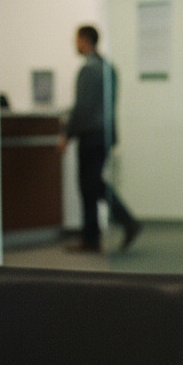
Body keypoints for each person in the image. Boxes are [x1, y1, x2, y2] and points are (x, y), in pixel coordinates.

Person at [60, 25, 141, 253]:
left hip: (90, 135)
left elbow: (83, 108)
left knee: (90, 185)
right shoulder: (108, 68)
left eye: (77, 39)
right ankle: (94, 236)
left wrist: (67, 134)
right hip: (104, 134)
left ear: (85, 40)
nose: (75, 44)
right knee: (92, 184)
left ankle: (121, 223)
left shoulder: (88, 70)